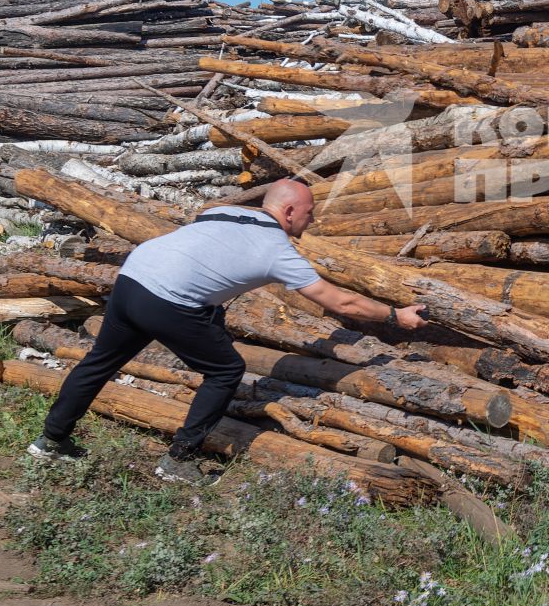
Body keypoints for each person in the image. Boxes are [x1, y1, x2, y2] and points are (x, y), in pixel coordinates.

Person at [27, 180, 425, 485]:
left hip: (133, 276)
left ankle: (50, 441)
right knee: (225, 370)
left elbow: (207, 250)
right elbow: (342, 303)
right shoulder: (277, 249)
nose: (313, 220)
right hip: (169, 299)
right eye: (309, 212)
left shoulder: (223, 212)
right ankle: (178, 460)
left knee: (101, 360)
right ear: (288, 212)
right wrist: (395, 316)